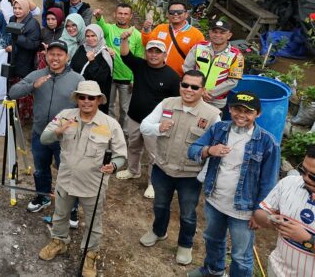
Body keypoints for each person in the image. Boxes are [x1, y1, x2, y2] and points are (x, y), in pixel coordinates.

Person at [38, 80, 128, 277]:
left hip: (93, 185)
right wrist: (58, 131)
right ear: (77, 98)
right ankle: (59, 241)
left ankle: (90, 253)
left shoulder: (110, 124)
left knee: (93, 222)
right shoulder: (65, 116)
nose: (86, 101)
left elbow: (121, 155)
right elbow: (44, 139)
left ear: (98, 100)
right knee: (60, 215)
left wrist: (113, 165)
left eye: (91, 98)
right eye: (82, 97)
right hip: (66, 180)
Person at [186, 91, 280, 277]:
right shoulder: (219, 129)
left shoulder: (267, 142)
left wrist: (260, 212)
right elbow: (193, 150)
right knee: (212, 239)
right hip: (215, 200)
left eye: (248, 111)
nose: (241, 115)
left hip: (243, 210)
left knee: (241, 255)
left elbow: (268, 182)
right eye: (237, 109)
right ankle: (213, 270)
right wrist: (209, 150)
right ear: (230, 109)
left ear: (258, 114)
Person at [138, 70, 222, 265]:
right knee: (160, 205)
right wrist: (158, 128)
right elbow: (144, 126)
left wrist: (203, 175)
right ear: (180, 85)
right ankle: (158, 232)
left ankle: (185, 245)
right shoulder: (167, 104)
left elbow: (214, 150)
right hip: (162, 168)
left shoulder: (212, 115)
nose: (188, 90)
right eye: (185, 85)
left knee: (188, 213)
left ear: (203, 90)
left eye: (194, 87)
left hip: (190, 175)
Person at [9, 40, 84, 216]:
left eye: (59, 54)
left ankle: (70, 207)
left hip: (65, 137)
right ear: (46, 56)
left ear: (67, 57)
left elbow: (87, 106)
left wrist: (73, 124)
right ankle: (43, 196)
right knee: (41, 168)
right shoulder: (37, 75)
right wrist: (32, 86)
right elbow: (13, 92)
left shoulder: (77, 79)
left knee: (67, 172)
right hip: (40, 133)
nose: (55, 58)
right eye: (52, 54)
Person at [118, 34, 180, 199]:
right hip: (134, 116)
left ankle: (153, 183)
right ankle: (133, 170)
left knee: (154, 154)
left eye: (157, 52)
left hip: (155, 123)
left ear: (164, 54)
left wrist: (165, 121)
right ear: (146, 53)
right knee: (133, 146)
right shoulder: (140, 66)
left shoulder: (172, 77)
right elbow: (125, 55)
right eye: (150, 51)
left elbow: (174, 102)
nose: (153, 55)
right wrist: (124, 40)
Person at [255, 144, 315, 277]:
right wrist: (271, 220)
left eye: (313, 177)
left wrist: (306, 239)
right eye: (303, 170)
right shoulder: (288, 183)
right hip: (277, 269)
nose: (305, 178)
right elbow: (259, 213)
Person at [94, 3, 144, 129]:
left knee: (125, 109)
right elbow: (102, 26)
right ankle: (109, 131)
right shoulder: (109, 29)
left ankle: (123, 133)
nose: (122, 16)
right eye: (120, 13)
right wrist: (99, 17)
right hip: (110, 76)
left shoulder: (137, 35)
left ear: (131, 16)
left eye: (125, 14)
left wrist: (134, 79)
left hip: (127, 80)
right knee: (108, 106)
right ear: (115, 14)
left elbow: (139, 58)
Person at [183, 19, 244, 110]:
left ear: (229, 35)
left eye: (222, 32)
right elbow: (187, 68)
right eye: (214, 32)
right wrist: (198, 90)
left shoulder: (236, 55)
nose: (217, 35)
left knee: (211, 123)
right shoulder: (199, 46)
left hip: (215, 101)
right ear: (210, 33)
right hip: (192, 94)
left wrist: (209, 93)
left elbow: (233, 81)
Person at [142, 1, 204, 76]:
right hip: (154, 72)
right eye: (172, 12)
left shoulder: (197, 35)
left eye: (179, 12)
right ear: (168, 14)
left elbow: (200, 61)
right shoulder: (160, 28)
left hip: (178, 77)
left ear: (186, 14)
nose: (175, 14)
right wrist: (146, 30)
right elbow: (147, 44)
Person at [7, 0, 42, 122]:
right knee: (12, 88)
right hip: (12, 59)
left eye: (20, 8)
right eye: (15, 8)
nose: (17, 11)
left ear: (26, 9)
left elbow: (33, 44)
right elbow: (9, 35)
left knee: (23, 90)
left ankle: (24, 117)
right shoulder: (12, 19)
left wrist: (18, 37)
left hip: (25, 61)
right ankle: (12, 114)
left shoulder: (33, 24)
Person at [70, 25, 113, 114]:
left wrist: (92, 61)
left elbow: (102, 78)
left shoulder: (105, 54)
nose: (90, 39)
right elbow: (73, 65)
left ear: (99, 35)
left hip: (95, 97)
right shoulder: (82, 49)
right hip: (80, 93)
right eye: (88, 36)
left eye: (93, 36)